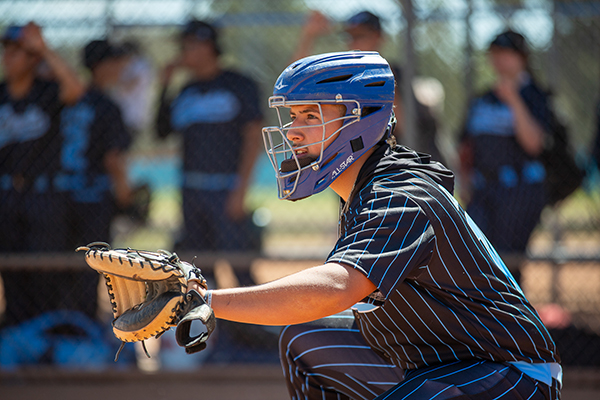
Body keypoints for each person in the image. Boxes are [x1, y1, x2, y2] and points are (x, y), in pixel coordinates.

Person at [188, 51, 561, 399]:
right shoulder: (362, 189)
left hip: (511, 374)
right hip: (440, 361)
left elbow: (336, 288)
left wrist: (205, 300)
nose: (292, 132)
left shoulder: (401, 194)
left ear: (360, 121)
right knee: (305, 342)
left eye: (312, 116)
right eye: (293, 117)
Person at [0, 22, 85, 326]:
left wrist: (44, 49)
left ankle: (44, 338)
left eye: (19, 53)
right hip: (7, 195)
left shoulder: (46, 93)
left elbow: (75, 88)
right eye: (7, 52)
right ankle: (17, 338)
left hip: (44, 195)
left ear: (33, 60)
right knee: (10, 272)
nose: (9, 59)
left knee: (45, 274)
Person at [156, 19, 263, 252]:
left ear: (207, 46)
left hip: (227, 187)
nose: (182, 52)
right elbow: (161, 132)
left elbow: (254, 138)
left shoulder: (240, 84)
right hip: (191, 189)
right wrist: (164, 85)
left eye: (188, 45)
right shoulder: (186, 91)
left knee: (239, 262)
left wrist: (241, 190)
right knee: (199, 264)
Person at [291, 10, 446, 166]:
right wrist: (309, 36)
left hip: (397, 160)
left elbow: (406, 128)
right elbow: (293, 84)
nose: (353, 43)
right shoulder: (344, 78)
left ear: (379, 37)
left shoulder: (396, 75)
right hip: (353, 162)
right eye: (349, 37)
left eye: (360, 36)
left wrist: (382, 78)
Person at [458, 30, 552, 284]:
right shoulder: (482, 98)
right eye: (495, 54)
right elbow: (465, 144)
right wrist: (464, 178)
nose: (499, 60)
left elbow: (534, 144)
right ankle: (483, 320)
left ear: (522, 57)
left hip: (520, 190)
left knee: (507, 263)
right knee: (474, 256)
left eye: (506, 53)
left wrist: (513, 99)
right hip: (483, 189)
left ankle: (512, 321)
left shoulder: (535, 95)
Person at [53, 39, 133, 320]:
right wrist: (126, 195)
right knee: (91, 269)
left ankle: (61, 325)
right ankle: (81, 329)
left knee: (61, 269)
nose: (120, 67)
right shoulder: (108, 106)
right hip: (94, 197)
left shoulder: (65, 100)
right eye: (114, 62)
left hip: (60, 195)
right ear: (100, 66)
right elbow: (113, 159)